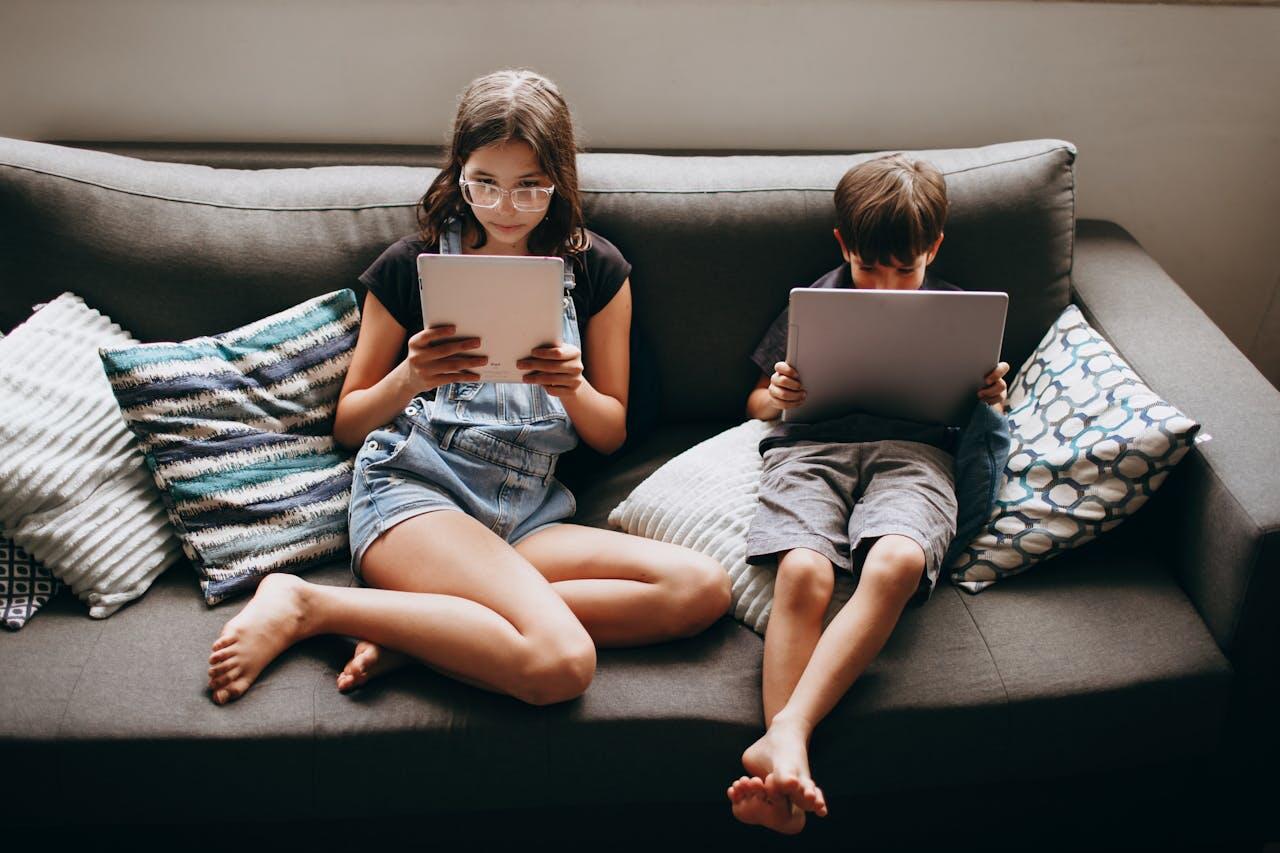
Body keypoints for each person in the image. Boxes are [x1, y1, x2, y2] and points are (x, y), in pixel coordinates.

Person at [207, 69, 730, 707]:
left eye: (529, 188)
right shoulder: (410, 265)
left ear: (560, 181)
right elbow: (348, 424)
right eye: (484, 184)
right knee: (560, 663)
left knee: (700, 588)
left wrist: (572, 387)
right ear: (459, 173)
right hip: (418, 492)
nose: (505, 208)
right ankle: (309, 603)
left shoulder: (597, 268)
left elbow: (610, 429)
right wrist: (410, 376)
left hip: (527, 508)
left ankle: (425, 632)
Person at [726, 154, 1010, 834]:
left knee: (897, 562)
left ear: (933, 248)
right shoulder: (814, 299)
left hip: (916, 454)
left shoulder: (959, 312)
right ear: (842, 245)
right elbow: (756, 399)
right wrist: (778, 394)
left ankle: (786, 735)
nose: (886, 284)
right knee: (802, 569)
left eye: (904, 270)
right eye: (868, 267)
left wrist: (993, 394)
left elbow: (987, 411)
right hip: (811, 448)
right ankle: (786, 788)